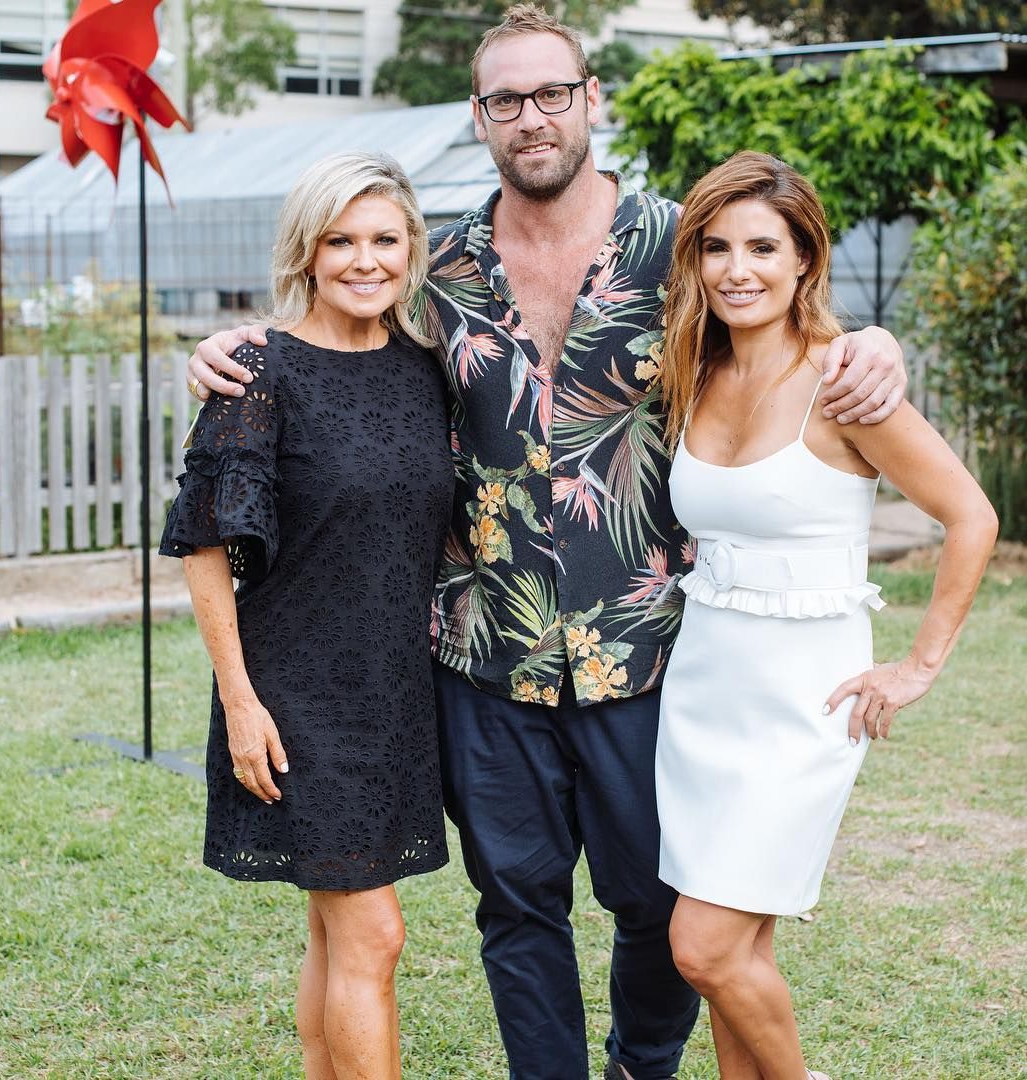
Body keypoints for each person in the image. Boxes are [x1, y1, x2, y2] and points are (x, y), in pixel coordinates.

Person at [184, 8, 912, 1078]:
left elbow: (784, 314)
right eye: (507, 99)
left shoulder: (680, 246)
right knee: (516, 904)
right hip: (486, 649)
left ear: (590, 98)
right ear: (479, 115)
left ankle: (641, 1066)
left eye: (552, 93)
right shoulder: (439, 266)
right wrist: (228, 348)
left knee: (657, 900)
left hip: (651, 644)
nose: (532, 117)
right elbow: (337, 335)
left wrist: (876, 340)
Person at [653, 151, 998, 1080]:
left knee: (704, 948)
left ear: (804, 257)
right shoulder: (695, 370)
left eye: (763, 247)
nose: (738, 270)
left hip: (803, 700)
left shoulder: (846, 384)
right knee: (739, 954)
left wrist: (917, 666)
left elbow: (972, 517)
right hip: (703, 693)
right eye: (717, 248)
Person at [160, 151, 453, 1080]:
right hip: (295, 696)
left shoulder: (427, 370)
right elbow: (205, 545)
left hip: (395, 694)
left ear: (411, 249)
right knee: (374, 932)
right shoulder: (259, 371)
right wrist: (240, 702)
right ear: (307, 253)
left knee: (337, 929)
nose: (365, 261)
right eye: (340, 241)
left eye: (385, 240)